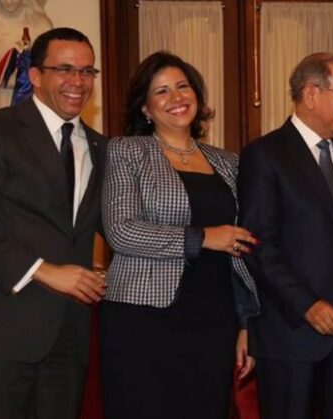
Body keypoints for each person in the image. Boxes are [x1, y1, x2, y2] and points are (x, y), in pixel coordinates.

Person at [0, 27, 106, 419]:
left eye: (87, 71)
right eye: (64, 69)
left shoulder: (100, 146)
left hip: (68, 342)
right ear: (35, 75)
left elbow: (109, 227)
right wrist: (45, 270)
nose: (78, 81)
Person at [99, 51, 260, 419]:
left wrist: (247, 323)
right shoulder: (127, 151)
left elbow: (243, 244)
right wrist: (201, 237)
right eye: (162, 91)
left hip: (215, 317)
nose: (176, 98)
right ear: (145, 108)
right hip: (143, 318)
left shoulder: (229, 162)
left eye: (183, 86)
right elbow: (121, 231)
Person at [238, 52, 333, 419]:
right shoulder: (264, 154)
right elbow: (257, 245)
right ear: (311, 94)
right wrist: (307, 304)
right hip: (290, 333)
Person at [0, 0, 53, 111]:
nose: (8, 2)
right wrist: (25, 77)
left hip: (31, 104)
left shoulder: (42, 24)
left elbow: (47, 73)